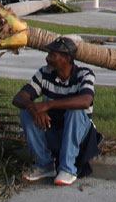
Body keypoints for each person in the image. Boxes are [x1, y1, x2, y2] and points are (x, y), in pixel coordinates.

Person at [14, 36, 100, 186]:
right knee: (26, 111)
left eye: (52, 55)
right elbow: (19, 98)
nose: (47, 58)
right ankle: (44, 164)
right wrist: (34, 109)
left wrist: (48, 106)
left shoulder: (84, 75)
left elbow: (86, 100)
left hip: (79, 135)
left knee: (75, 111)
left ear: (66, 59)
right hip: (53, 130)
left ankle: (68, 169)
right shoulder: (44, 73)